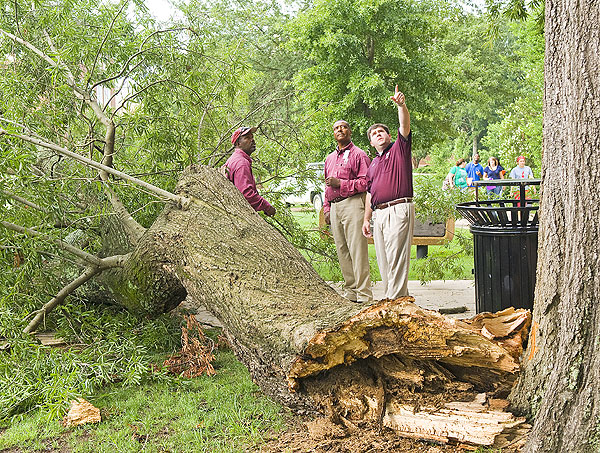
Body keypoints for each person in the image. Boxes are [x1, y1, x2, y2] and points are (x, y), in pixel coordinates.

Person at [362, 85, 414, 300]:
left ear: (389, 135)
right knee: (384, 260)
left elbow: (405, 124)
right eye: (374, 134)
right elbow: (369, 193)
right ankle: (394, 299)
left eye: (381, 131)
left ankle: (395, 302)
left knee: (396, 257)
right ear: (371, 142)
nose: (378, 134)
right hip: (379, 214)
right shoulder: (373, 163)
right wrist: (367, 219)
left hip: (399, 208)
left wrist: (401, 106)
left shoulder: (399, 149)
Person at [323, 120, 373, 303]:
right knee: (342, 250)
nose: (339, 130)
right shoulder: (329, 158)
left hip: (353, 204)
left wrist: (341, 184)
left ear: (349, 131)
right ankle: (350, 292)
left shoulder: (359, 155)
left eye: (343, 127)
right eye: (336, 128)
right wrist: (327, 208)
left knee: (357, 250)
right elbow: (326, 186)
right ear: (333, 133)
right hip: (335, 207)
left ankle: (365, 295)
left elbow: (366, 183)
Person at [224, 126, 276, 216]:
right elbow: (246, 194)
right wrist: (268, 207)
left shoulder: (235, 159)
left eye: (252, 137)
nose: (252, 140)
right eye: (247, 138)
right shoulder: (241, 163)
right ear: (238, 143)